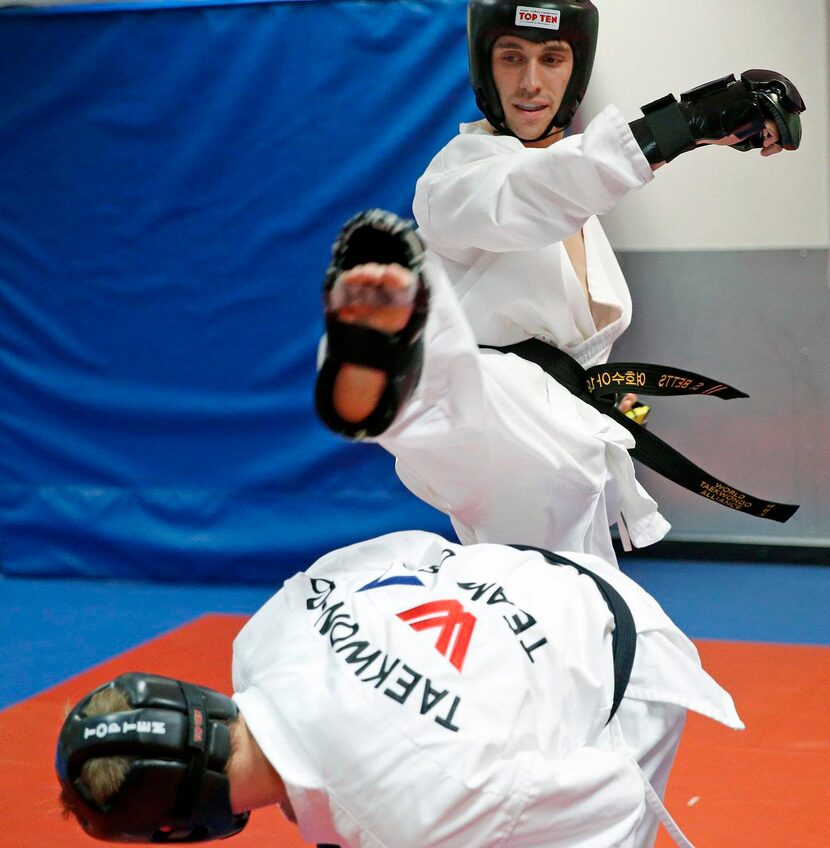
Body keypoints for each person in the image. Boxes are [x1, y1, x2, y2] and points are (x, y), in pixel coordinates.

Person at [323, 0, 805, 566]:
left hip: (553, 439)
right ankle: (380, 365)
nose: (531, 82)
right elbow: (532, 192)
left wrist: (592, 395)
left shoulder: (572, 190)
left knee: (568, 616)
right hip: (491, 418)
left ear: (576, 71)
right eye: (511, 58)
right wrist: (682, 127)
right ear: (485, 67)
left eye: (551, 58)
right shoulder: (455, 179)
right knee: (562, 613)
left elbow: (568, 193)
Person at [58, 531, 743, 848]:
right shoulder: (263, 637)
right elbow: (418, 551)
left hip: (623, 657)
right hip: (530, 568)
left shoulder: (424, 815)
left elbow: (613, 793)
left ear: (173, 830)